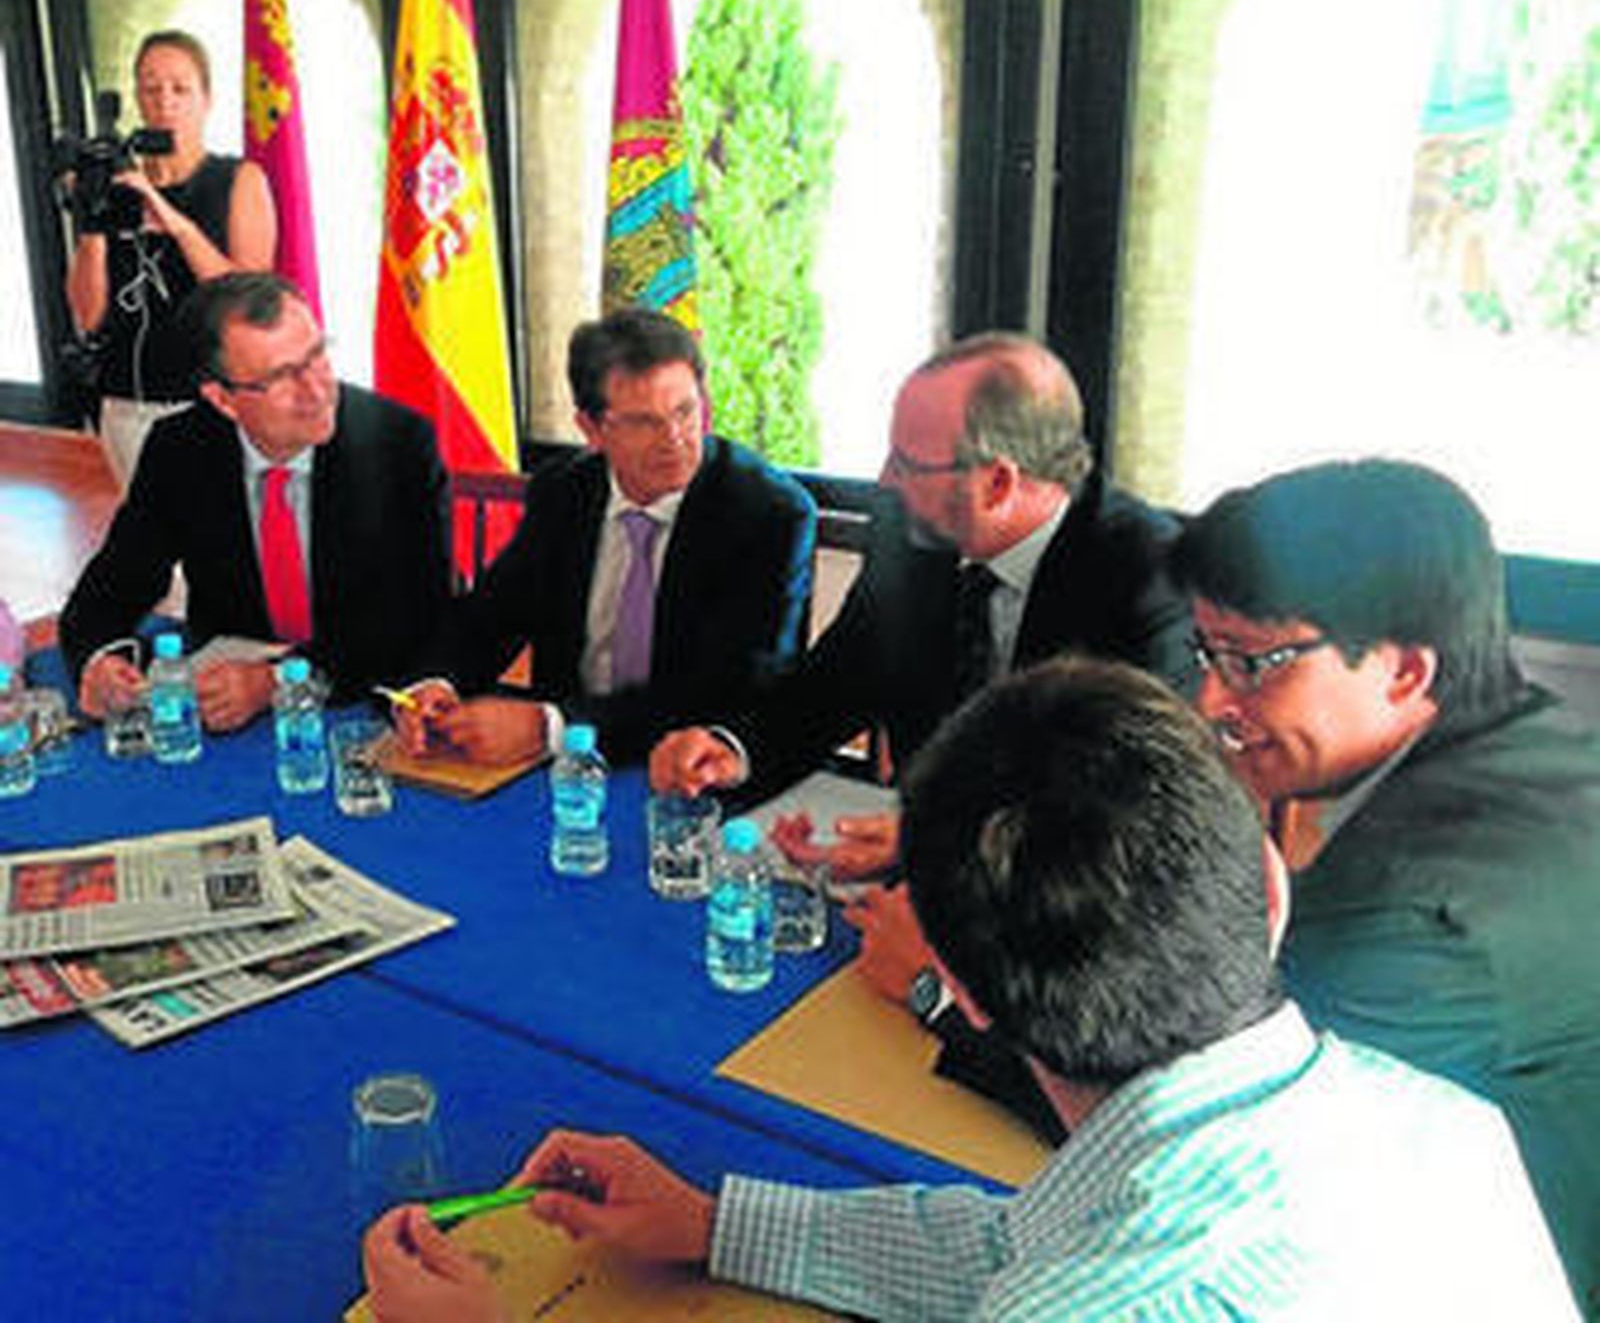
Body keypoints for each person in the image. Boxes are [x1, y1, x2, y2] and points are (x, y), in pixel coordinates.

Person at [362, 659, 1576, 1321]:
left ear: (962, 995)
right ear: (1269, 880)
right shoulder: (1439, 1119)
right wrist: (715, 1219)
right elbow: (1011, 1241)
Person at [1171, 458, 1600, 1314]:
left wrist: (942, 994)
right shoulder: (1539, 741)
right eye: (1207, 653)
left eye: (1254, 661)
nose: (1212, 698)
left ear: (1405, 671)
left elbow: (1209, 1132)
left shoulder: (1415, 906)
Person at [651, 332, 1191, 879]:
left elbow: (1123, 811)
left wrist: (939, 843)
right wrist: (730, 748)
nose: (886, 481)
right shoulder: (911, 532)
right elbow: (834, 683)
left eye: (907, 463)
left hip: (1053, 890)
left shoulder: (1145, 578)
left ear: (998, 482)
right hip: (911, 860)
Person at [391, 307, 815, 767]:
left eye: (686, 411)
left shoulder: (766, 513)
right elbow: (490, 616)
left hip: (689, 771)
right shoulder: (564, 491)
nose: (674, 438)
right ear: (591, 430)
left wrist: (549, 727)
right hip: (564, 773)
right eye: (643, 422)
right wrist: (435, 684)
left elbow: (727, 694)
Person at [60, 272, 451, 732]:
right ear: (223, 399)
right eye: (282, 376)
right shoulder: (180, 448)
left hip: (362, 701)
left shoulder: (398, 442)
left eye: (317, 354)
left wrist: (277, 680)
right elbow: (115, 582)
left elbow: (415, 616)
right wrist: (102, 660)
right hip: (226, 710)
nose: (316, 390)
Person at [64, 30, 277, 487]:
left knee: (213, 550)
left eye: (181, 89)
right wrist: (91, 225)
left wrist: (173, 221)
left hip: (210, 404)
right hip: (124, 403)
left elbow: (248, 302)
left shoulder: (237, 180)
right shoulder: (118, 187)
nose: (165, 102)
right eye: (151, 88)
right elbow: (88, 315)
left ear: (207, 99)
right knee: (149, 550)